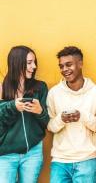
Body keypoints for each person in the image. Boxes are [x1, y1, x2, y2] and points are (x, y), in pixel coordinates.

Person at [47, 46, 96, 183]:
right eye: (61, 66)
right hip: (60, 160)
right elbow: (50, 126)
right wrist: (61, 119)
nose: (64, 70)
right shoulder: (54, 93)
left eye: (69, 65)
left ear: (80, 64)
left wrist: (82, 116)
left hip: (87, 159)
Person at [0, 45, 49, 183]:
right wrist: (12, 106)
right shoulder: (2, 89)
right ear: (16, 63)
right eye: (29, 63)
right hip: (5, 155)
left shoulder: (40, 87)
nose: (34, 66)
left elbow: (47, 123)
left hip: (32, 153)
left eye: (34, 62)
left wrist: (40, 112)